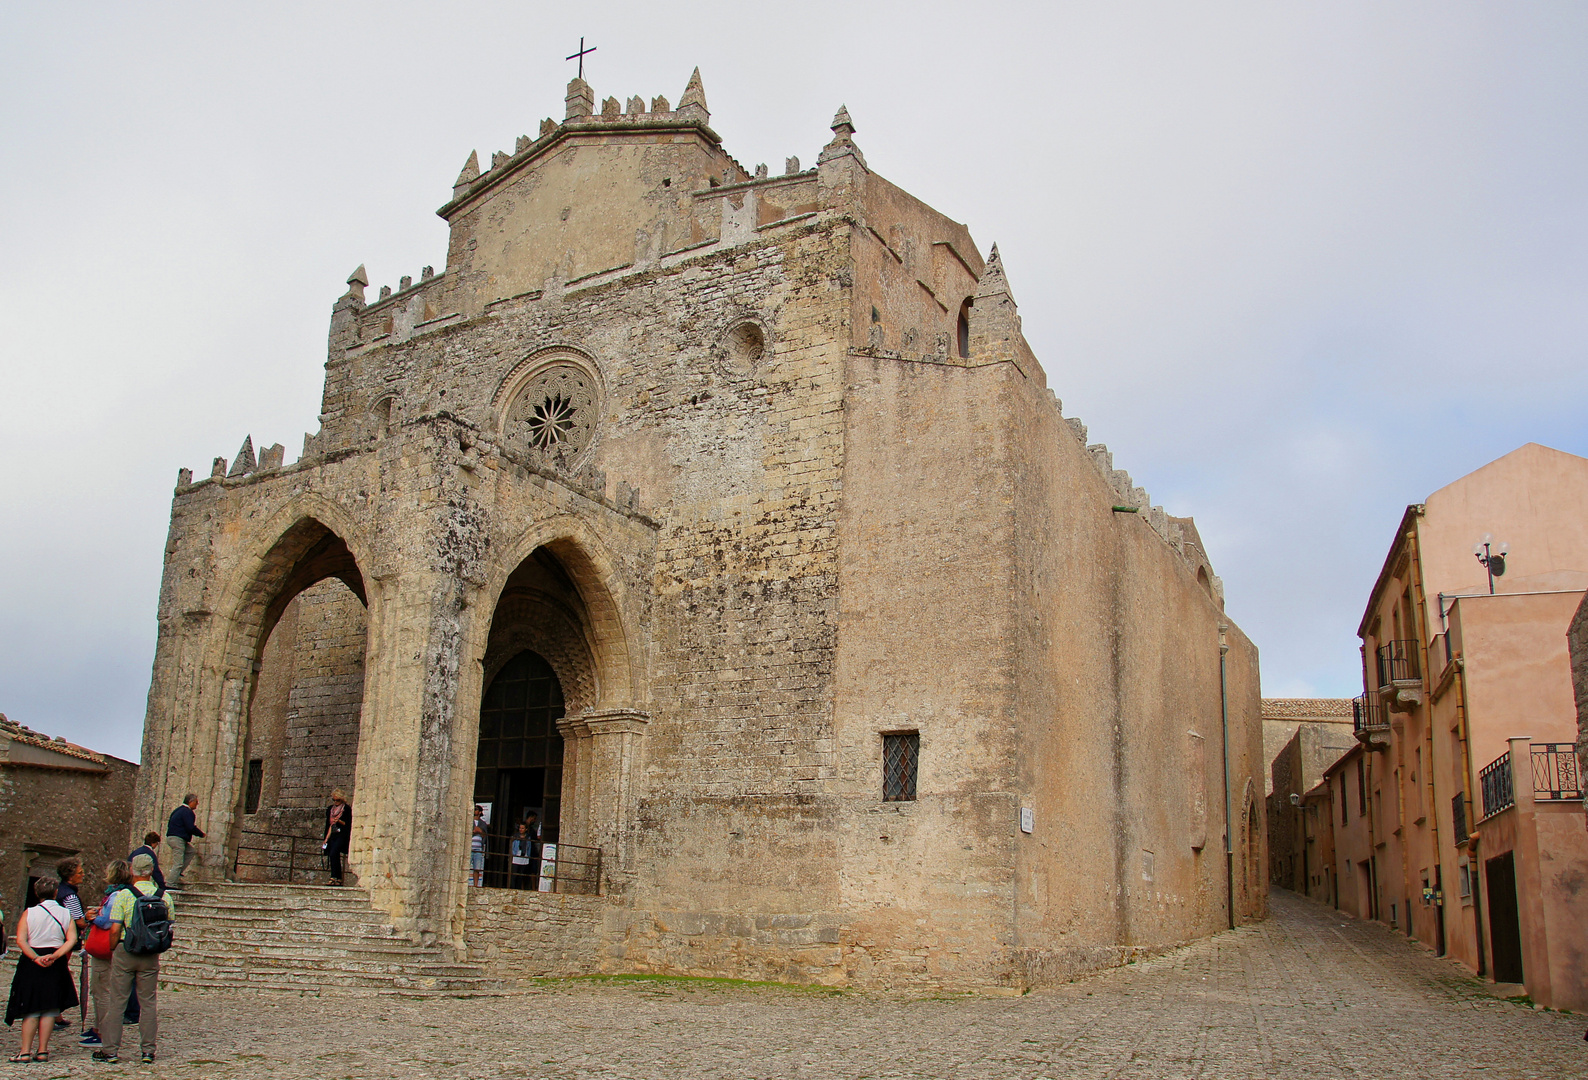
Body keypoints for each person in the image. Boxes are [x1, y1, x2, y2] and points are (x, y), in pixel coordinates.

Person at [93, 853, 171, 1065]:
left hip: (126, 949)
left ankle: (110, 1050)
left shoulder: (124, 895)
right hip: (150, 953)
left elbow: (115, 927)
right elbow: (169, 923)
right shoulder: (164, 896)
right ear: (151, 871)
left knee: (117, 1001)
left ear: (132, 871)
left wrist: (113, 947)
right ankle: (147, 1051)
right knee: (148, 1002)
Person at [4, 877, 79, 1063]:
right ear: (56, 893)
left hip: (32, 960)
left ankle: (25, 1051)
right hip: (56, 961)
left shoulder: (29, 913)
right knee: (49, 1007)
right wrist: (55, 955)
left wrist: (35, 957)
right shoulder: (65, 913)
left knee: (31, 1008)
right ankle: (43, 1050)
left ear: (37, 893)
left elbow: (21, 940)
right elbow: (72, 939)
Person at [81, 860, 139, 1048]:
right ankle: (100, 1028)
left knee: (102, 991)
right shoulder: (126, 893)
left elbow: (107, 922)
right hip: (118, 947)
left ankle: (104, 1033)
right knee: (104, 989)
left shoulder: (115, 895)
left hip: (106, 947)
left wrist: (93, 917)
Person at [165, 794, 204, 889]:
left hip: (172, 837)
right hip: (178, 839)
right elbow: (190, 827)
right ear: (191, 802)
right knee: (178, 863)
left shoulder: (178, 810)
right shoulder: (187, 812)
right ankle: (170, 883)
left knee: (190, 851)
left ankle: (177, 874)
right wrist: (201, 834)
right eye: (196, 802)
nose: (197, 804)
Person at [322, 788, 353, 884]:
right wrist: (326, 839)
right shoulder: (330, 810)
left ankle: (335, 877)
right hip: (333, 834)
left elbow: (348, 824)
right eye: (334, 800)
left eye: (337, 800)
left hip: (342, 835)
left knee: (334, 853)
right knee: (332, 855)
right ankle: (336, 877)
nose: (335, 802)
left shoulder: (346, 809)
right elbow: (329, 826)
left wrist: (339, 821)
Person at [509, 821, 533, 889]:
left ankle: (518, 888)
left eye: (522, 828)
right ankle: (512, 888)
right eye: (520, 828)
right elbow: (513, 846)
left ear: (526, 829)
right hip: (516, 855)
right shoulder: (515, 836)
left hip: (524, 856)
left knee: (521, 875)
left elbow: (529, 847)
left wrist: (528, 856)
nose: (521, 829)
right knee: (514, 874)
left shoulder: (528, 837)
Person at [470, 806, 487, 886]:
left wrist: (479, 830)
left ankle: (475, 885)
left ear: (480, 812)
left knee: (477, 868)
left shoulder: (483, 823)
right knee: (466, 867)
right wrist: (475, 831)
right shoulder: (469, 821)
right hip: (470, 847)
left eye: (476, 809)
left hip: (478, 848)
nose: (474, 810)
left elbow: (484, 835)